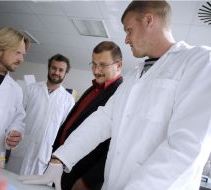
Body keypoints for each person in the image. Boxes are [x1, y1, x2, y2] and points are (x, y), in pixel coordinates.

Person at [19, 1, 211, 190]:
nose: (126, 39)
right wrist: (61, 158)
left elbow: (186, 147)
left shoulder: (199, 62)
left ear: (148, 20)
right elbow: (103, 120)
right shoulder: (134, 76)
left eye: (129, 30)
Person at [52, 41, 123, 190]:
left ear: (118, 65)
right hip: (63, 164)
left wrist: (89, 180)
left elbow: (115, 146)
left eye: (103, 65)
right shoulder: (93, 89)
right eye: (94, 64)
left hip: (82, 175)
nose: (96, 71)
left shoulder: (120, 94)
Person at [6, 54, 75, 175]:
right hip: (21, 149)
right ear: (49, 68)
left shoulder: (68, 100)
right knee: (10, 183)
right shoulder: (31, 89)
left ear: (65, 73)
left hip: (43, 155)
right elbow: (17, 117)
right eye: (54, 68)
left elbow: (63, 131)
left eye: (61, 70)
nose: (56, 72)